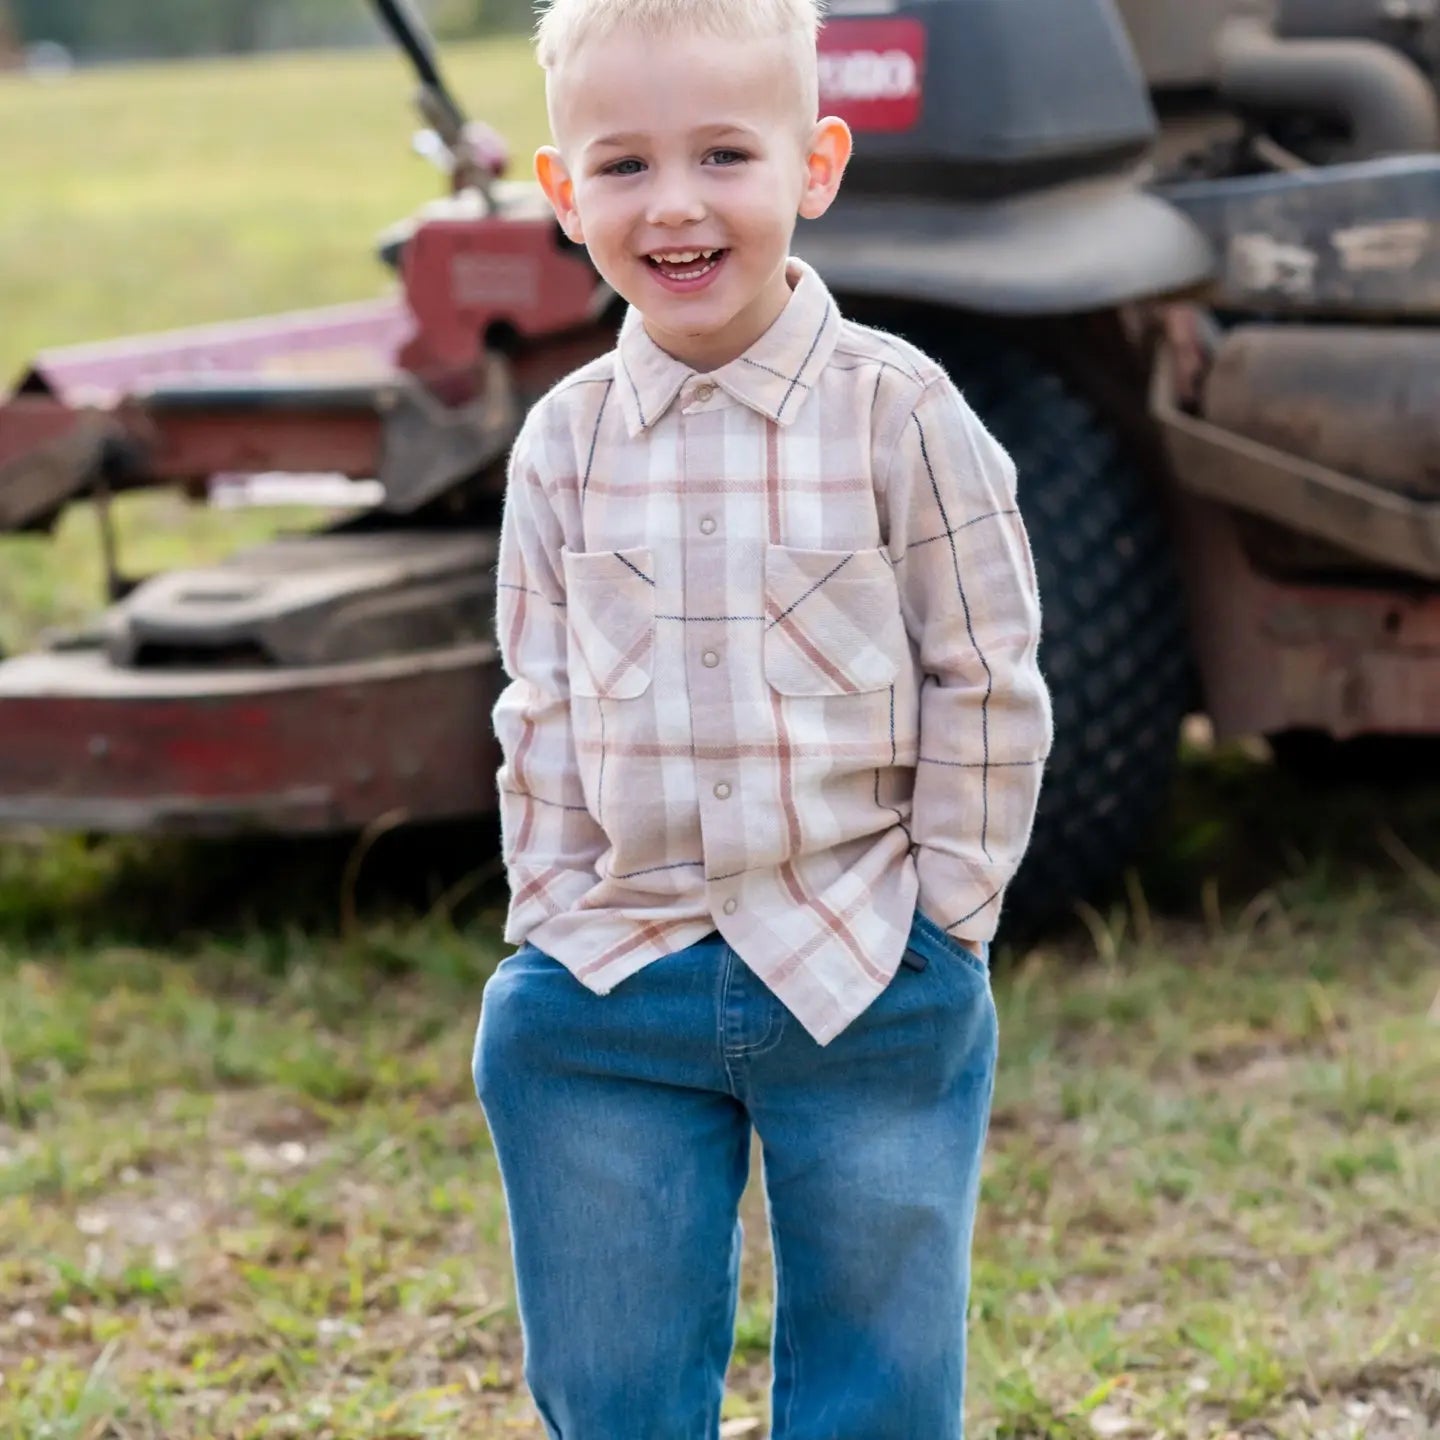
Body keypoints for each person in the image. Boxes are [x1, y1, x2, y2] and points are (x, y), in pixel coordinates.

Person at [473, 0, 1053, 1434]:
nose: (674, 205)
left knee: (880, 1377)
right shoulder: (563, 444)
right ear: (562, 194)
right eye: (623, 165)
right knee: (611, 1379)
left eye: (724, 155)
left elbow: (985, 672)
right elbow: (538, 697)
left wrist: (948, 920)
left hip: (862, 960)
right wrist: (551, 911)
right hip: (616, 971)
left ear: (817, 165)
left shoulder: (899, 414)